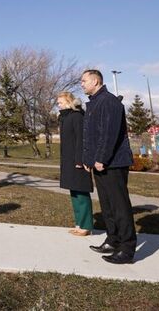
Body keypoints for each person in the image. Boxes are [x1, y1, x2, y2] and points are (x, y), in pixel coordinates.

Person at [80, 69, 136, 264]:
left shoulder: (109, 101)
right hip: (100, 163)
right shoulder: (95, 103)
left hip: (113, 163)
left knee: (120, 206)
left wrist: (101, 158)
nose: (81, 84)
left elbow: (109, 134)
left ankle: (127, 249)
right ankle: (113, 240)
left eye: (84, 81)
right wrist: (88, 160)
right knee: (107, 205)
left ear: (95, 81)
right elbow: (91, 136)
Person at [57, 91, 94, 237]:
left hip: (77, 161)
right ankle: (79, 223)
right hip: (68, 160)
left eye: (60, 102)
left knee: (81, 193)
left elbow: (81, 139)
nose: (58, 105)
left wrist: (80, 160)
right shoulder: (65, 117)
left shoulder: (77, 116)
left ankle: (86, 226)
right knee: (74, 192)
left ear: (68, 102)